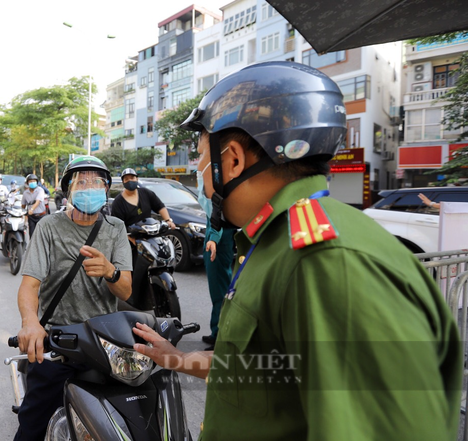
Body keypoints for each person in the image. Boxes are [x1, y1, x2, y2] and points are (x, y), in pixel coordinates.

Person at [132, 62, 462, 440]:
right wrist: (169, 356)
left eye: (202, 156)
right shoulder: (273, 243)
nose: (201, 174)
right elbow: (260, 369)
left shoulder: (326, 261)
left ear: (234, 159)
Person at [14, 156, 132, 441]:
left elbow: (126, 290)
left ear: (106, 190)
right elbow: (29, 285)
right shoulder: (48, 227)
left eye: (96, 181)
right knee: (32, 425)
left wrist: (110, 272)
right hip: (59, 340)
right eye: (82, 181)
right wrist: (31, 323)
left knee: (123, 418)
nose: (89, 186)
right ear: (68, 189)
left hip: (105, 342)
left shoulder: (116, 228)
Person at [195, 169, 236, 350]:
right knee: (217, 290)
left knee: (220, 291)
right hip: (215, 237)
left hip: (219, 241)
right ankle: (215, 331)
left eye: (203, 153)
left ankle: (221, 335)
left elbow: (218, 219)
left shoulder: (218, 183)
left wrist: (213, 239)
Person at [110, 168, 176, 267]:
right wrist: (129, 239)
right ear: (123, 182)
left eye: (132, 177)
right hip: (131, 241)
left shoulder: (146, 193)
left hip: (150, 237)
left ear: (137, 178)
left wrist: (168, 220)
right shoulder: (118, 202)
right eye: (126, 179)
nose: (130, 181)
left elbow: (160, 206)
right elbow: (117, 226)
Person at [21, 174, 46, 238]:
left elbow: (38, 201)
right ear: (27, 183)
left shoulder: (40, 190)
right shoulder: (25, 193)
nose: (32, 183)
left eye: (34, 181)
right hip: (31, 217)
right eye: (30, 181)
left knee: (42, 235)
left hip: (41, 216)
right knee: (32, 236)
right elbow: (23, 205)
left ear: (37, 182)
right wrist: (22, 214)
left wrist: (32, 209)